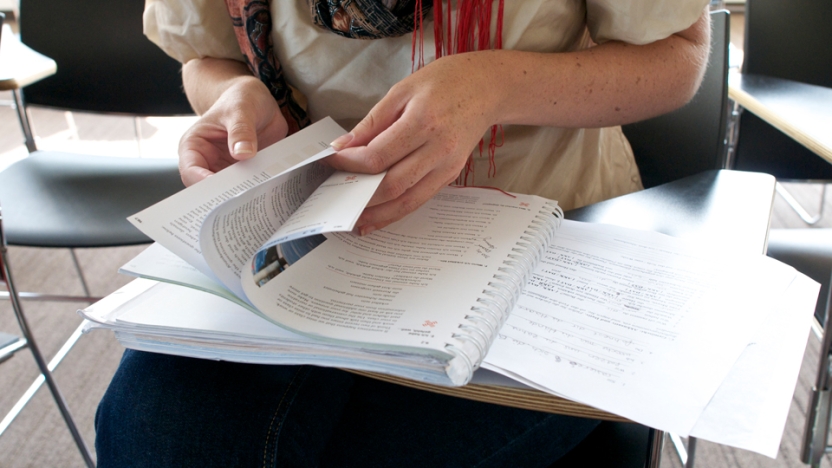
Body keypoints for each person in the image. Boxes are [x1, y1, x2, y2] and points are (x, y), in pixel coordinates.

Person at [94, 0, 711, 466]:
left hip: (540, 234)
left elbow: (679, 54)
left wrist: (494, 84)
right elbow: (206, 54)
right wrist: (236, 93)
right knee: (151, 436)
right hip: (301, 233)